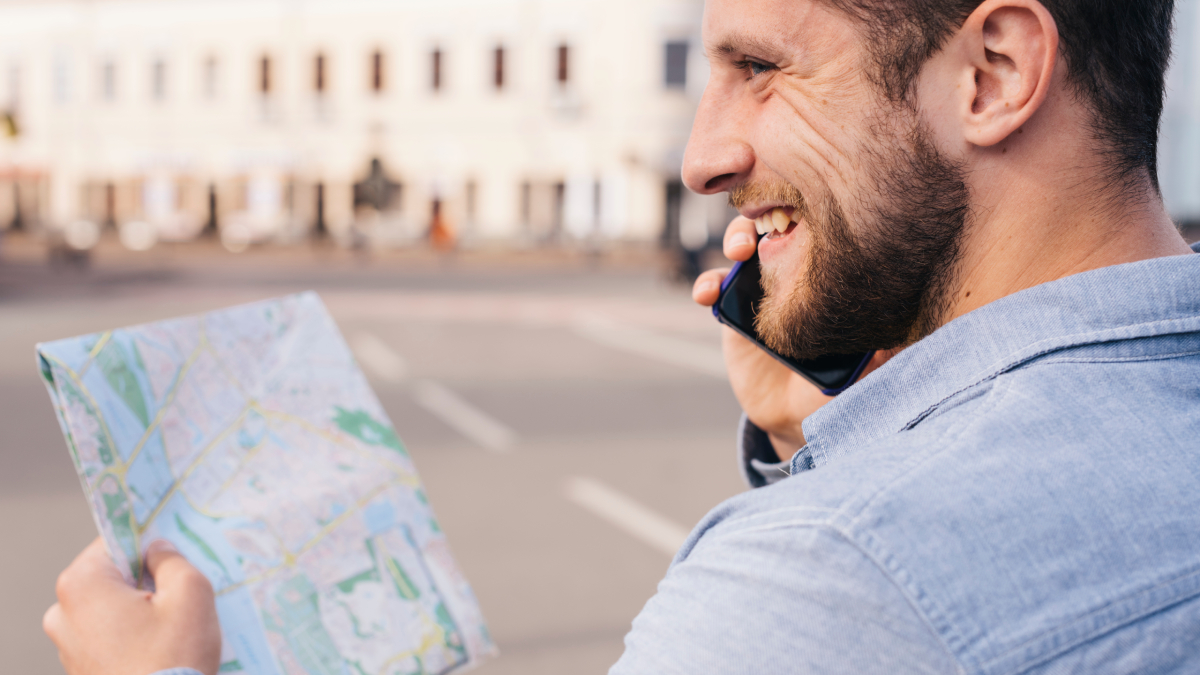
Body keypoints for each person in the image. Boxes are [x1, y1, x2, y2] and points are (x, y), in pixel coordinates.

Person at [44, 0, 1200, 673]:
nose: (701, 156)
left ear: (994, 73)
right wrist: (822, 437)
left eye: (761, 69)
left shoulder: (823, 578)